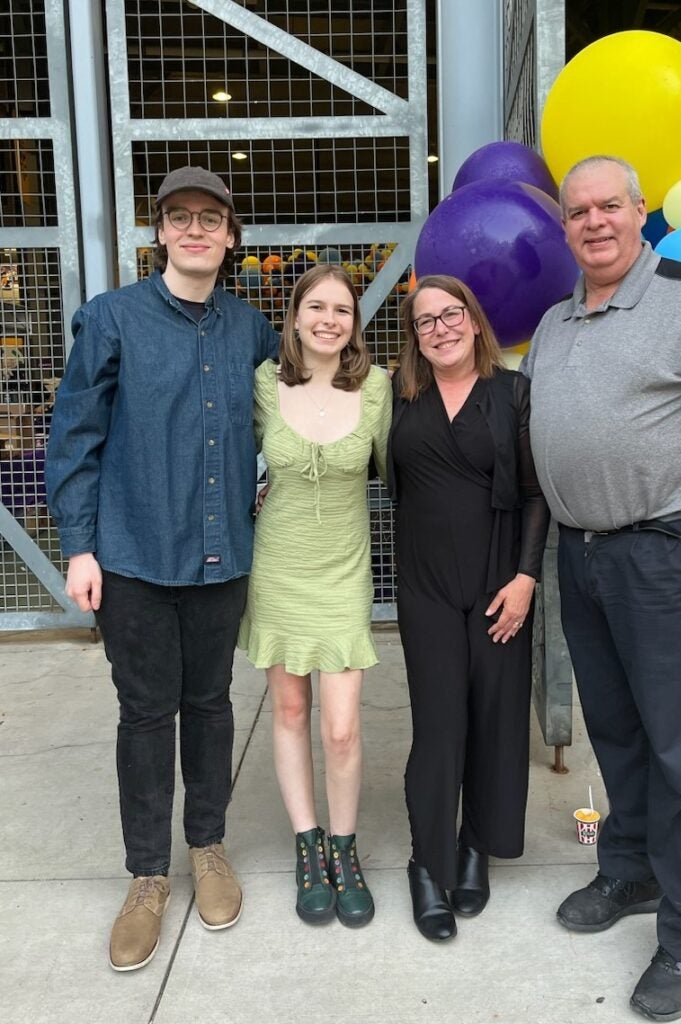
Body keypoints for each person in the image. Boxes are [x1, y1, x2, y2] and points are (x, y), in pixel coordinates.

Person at [522, 156, 681, 1022]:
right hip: (580, 559)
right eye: (578, 211)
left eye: (610, 206)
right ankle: (627, 868)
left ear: (641, 213)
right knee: (618, 734)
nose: (594, 221)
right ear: (565, 226)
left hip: (666, 556)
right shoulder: (555, 322)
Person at [46, 166, 277, 971]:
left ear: (230, 238)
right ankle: (148, 875)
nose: (194, 230)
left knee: (209, 704)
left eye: (210, 219)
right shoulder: (110, 321)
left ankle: (206, 847)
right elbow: (74, 436)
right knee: (146, 713)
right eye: (179, 217)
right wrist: (80, 546)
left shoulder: (251, 329)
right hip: (135, 555)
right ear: (159, 234)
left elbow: (290, 411)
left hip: (222, 560)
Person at [388, 274, 549, 942]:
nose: (441, 328)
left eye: (451, 315)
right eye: (426, 322)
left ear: (475, 322)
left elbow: (538, 492)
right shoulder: (398, 399)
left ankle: (475, 845)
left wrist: (526, 578)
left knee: (493, 720)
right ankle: (428, 862)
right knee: (439, 725)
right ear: (414, 339)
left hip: (498, 586)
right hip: (425, 587)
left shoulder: (511, 394)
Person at [237, 264, 391, 929]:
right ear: (295, 316)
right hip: (278, 569)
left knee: (342, 724)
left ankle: (345, 845)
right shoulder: (265, 387)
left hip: (343, 573)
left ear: (355, 324)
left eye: (343, 310)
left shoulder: (378, 387)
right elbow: (220, 461)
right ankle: (308, 844)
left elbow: (415, 468)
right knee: (292, 711)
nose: (329, 320)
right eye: (317, 307)